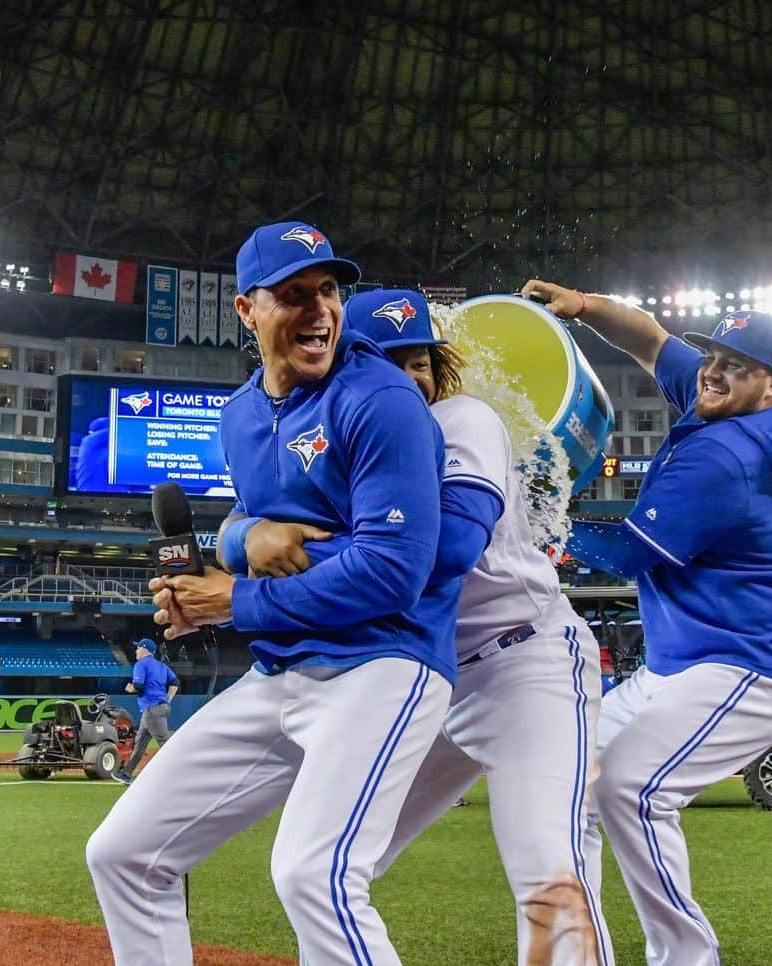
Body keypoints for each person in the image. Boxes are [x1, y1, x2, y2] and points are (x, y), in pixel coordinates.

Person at [86, 223, 455, 966]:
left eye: (328, 290)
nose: (319, 309)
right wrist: (233, 547)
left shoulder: (381, 397)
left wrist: (233, 601)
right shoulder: (239, 416)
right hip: (282, 671)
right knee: (124, 852)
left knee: (312, 874)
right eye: (294, 295)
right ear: (245, 310)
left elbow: (395, 570)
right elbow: (269, 534)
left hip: (383, 667)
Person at [249, 288, 613, 964]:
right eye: (389, 360)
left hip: (521, 664)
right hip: (424, 676)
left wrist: (311, 547)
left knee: (546, 867)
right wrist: (247, 532)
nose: (410, 377)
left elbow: (442, 555)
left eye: (420, 361)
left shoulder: (462, 419)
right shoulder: (339, 446)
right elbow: (255, 520)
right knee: (324, 870)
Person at [522, 279, 772, 966]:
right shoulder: (730, 399)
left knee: (630, 785)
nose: (711, 371)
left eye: (733, 365)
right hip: (678, 670)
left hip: (742, 672)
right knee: (572, 783)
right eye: (713, 355)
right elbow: (652, 338)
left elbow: (628, 552)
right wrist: (587, 308)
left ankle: (689, 959)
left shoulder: (729, 456)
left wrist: (533, 519)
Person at [111, 637, 178, 785]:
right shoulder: (161, 666)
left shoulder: (141, 664)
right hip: (156, 708)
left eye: (138, 647)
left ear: (145, 649)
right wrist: (168, 699)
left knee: (166, 744)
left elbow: (139, 686)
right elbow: (175, 682)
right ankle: (126, 774)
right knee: (139, 743)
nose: (136, 650)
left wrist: (130, 689)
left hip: (152, 709)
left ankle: (180, 775)